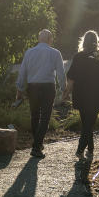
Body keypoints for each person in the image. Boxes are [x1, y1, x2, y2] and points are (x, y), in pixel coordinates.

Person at [16, 28, 65, 158]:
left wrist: (19, 90)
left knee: (35, 116)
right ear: (50, 39)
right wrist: (63, 89)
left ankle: (38, 143)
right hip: (48, 87)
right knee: (45, 117)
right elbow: (61, 73)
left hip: (33, 87)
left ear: (39, 39)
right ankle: (37, 146)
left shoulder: (29, 52)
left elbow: (22, 73)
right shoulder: (55, 53)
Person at [62, 30, 99, 159]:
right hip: (97, 95)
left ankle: (89, 150)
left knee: (87, 123)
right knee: (89, 123)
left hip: (81, 94)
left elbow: (71, 78)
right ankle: (83, 150)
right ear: (96, 42)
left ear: (84, 41)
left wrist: (67, 92)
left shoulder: (78, 57)